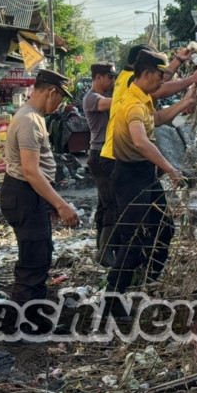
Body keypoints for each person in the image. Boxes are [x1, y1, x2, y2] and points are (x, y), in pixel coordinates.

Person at [106, 50, 197, 296]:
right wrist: (170, 168)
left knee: (164, 228)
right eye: (160, 76)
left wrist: (186, 101)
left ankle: (146, 280)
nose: (162, 81)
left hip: (146, 177)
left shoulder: (143, 98)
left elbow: (156, 119)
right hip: (129, 179)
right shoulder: (132, 104)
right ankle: (113, 295)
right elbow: (141, 142)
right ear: (146, 74)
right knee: (134, 240)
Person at [0, 69, 80, 304]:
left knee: (38, 255)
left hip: (28, 194)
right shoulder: (29, 120)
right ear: (51, 92)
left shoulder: (33, 116)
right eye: (61, 98)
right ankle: (26, 321)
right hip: (24, 194)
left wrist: (50, 202)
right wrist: (61, 205)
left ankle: (32, 314)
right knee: (34, 261)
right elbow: (31, 171)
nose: (60, 104)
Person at [82, 62, 118, 264]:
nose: (111, 81)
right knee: (112, 203)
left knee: (104, 204)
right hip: (100, 154)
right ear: (98, 78)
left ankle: (101, 248)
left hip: (105, 153)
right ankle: (105, 253)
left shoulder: (102, 97)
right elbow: (114, 103)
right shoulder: (92, 98)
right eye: (109, 77)